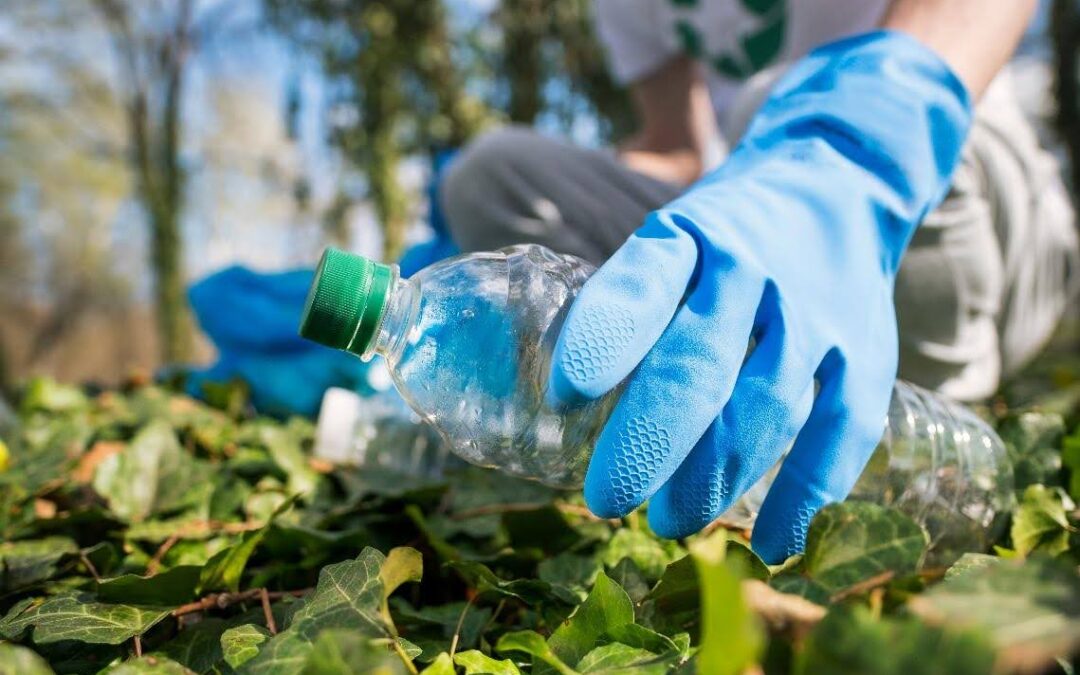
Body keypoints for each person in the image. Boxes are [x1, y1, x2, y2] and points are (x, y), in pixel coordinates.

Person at [439, 0, 1080, 562]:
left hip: (959, 180)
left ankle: (930, 409)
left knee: (765, 99)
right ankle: (721, 402)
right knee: (492, 174)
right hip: (767, 197)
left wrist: (843, 156)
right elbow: (676, 150)